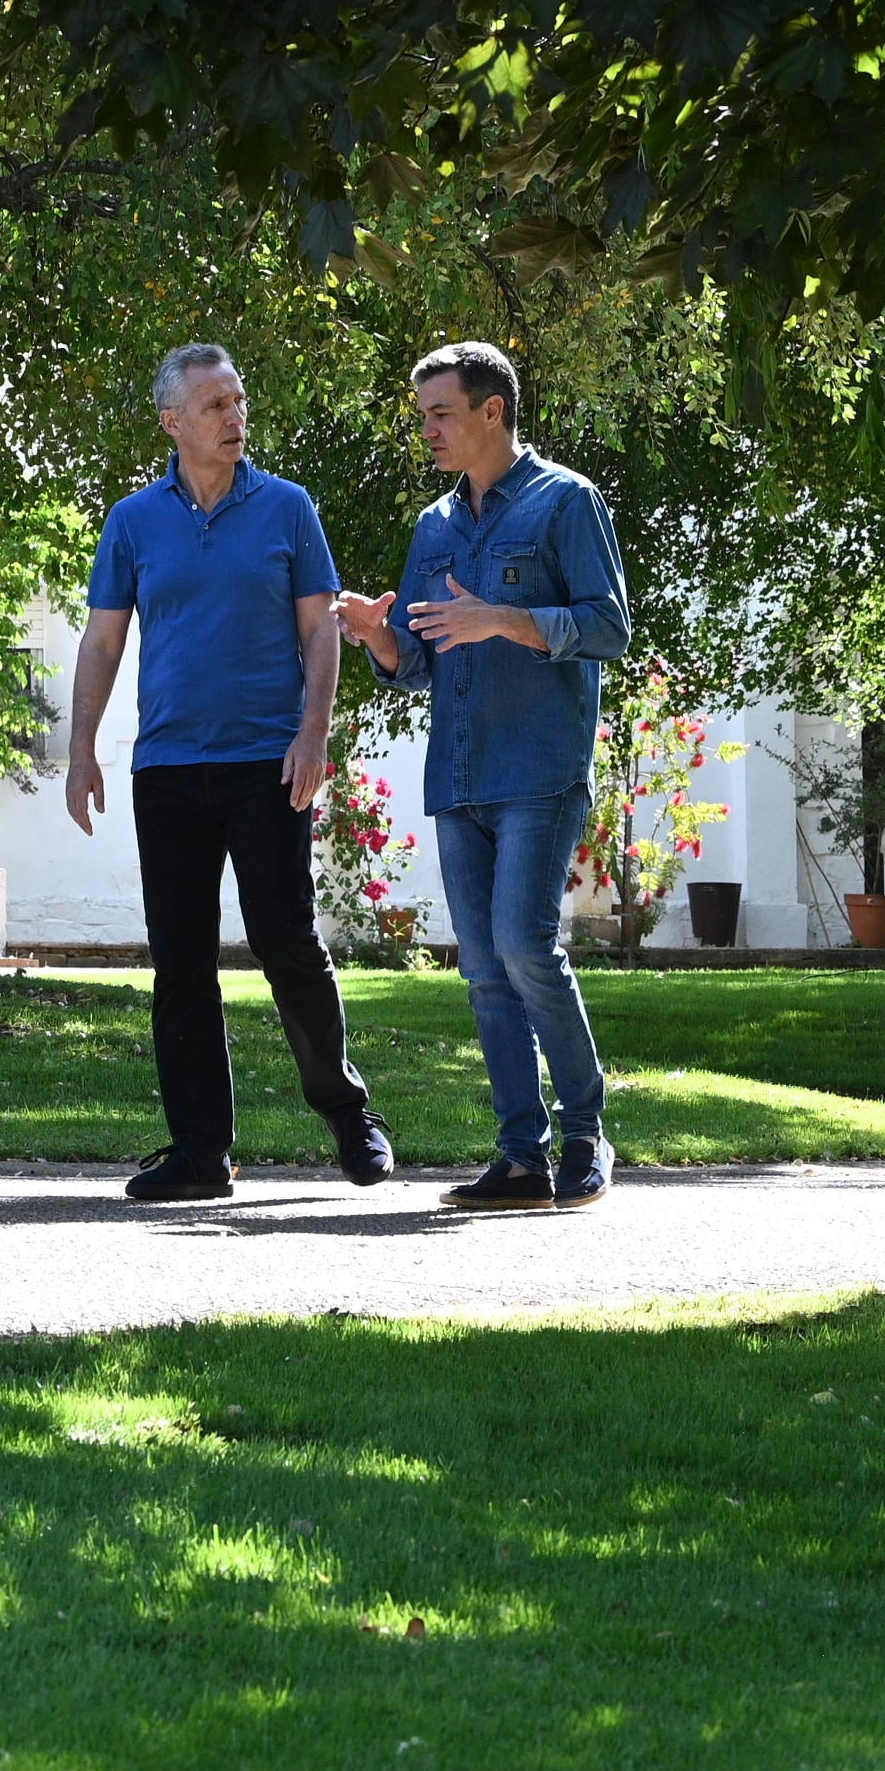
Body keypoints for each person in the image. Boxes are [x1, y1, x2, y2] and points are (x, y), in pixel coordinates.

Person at [66, 342, 398, 1204]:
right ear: (172, 421)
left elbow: (321, 627)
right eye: (215, 405)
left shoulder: (287, 508)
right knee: (181, 960)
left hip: (267, 762)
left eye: (239, 401)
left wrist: (313, 732)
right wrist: (81, 751)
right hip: (169, 767)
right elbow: (104, 640)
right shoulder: (134, 521)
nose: (234, 416)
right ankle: (200, 1152)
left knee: (287, 941)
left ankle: (347, 1112)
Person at [339, 339, 631, 1209]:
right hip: (458, 774)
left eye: (441, 413)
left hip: (539, 767)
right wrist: (376, 636)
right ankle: (519, 1158)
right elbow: (421, 659)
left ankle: (585, 1134)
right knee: (482, 968)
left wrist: (502, 617)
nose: (425, 429)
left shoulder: (565, 503)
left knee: (525, 946)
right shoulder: (434, 527)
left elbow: (608, 627)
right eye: (421, 414)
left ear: (491, 411)